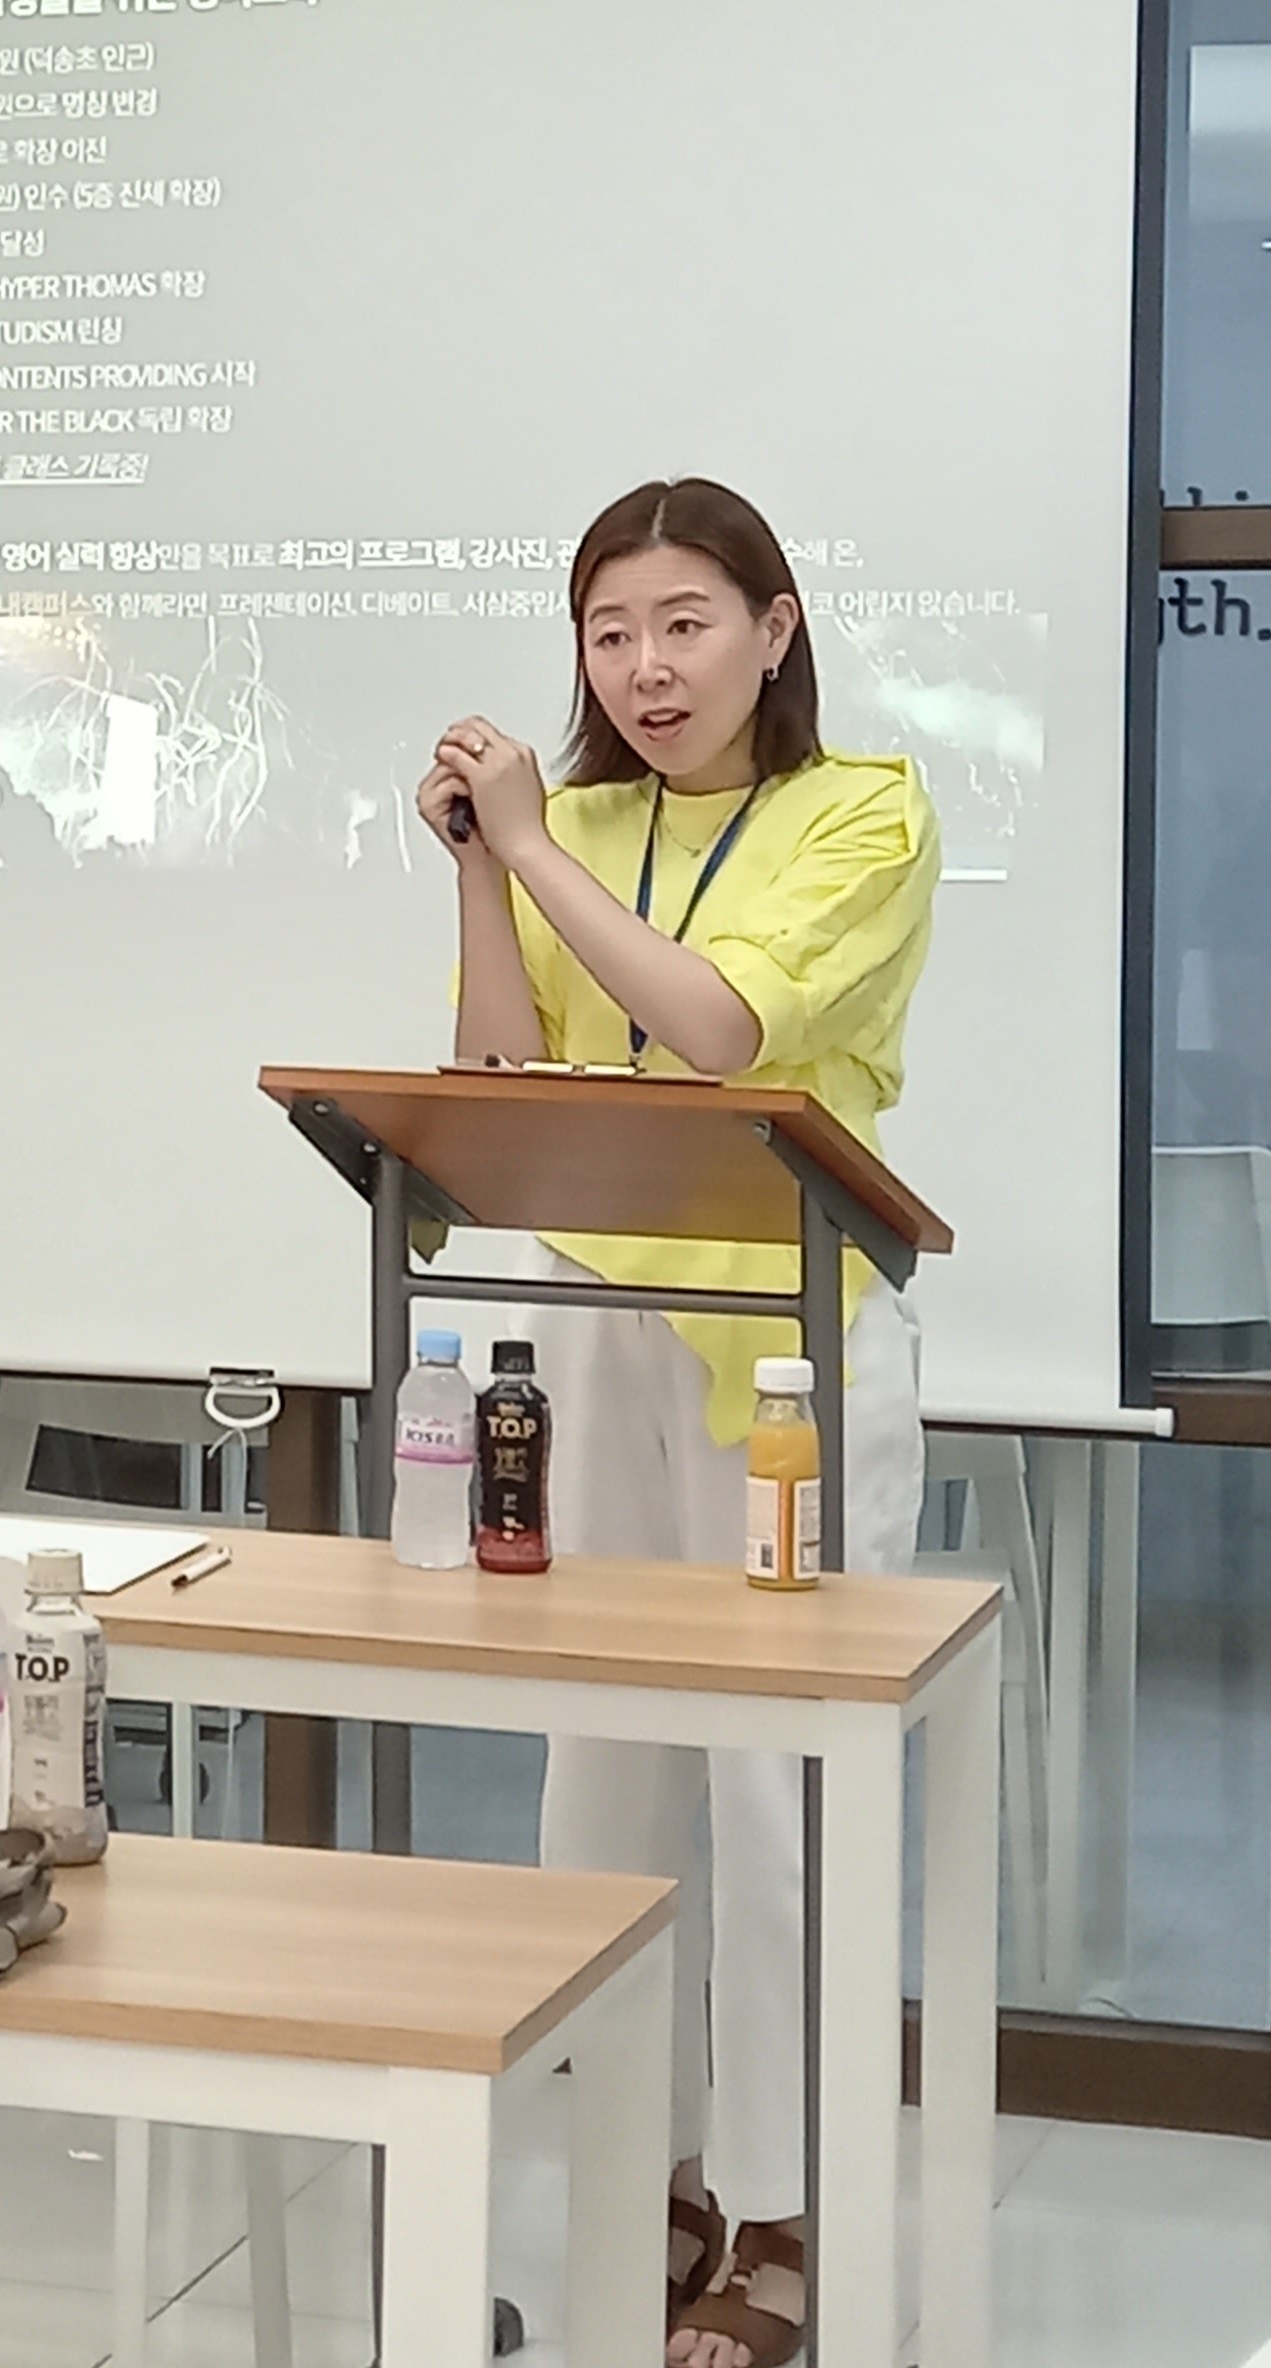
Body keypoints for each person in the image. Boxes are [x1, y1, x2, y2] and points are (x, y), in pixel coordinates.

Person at [418, 479, 937, 2368]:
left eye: (687, 623)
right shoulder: (583, 827)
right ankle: (649, 2169)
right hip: (600, 1340)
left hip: (792, 1354)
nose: (646, 668)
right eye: (611, 632)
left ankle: (785, 2218)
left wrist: (536, 842)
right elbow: (497, 1067)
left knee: (779, 1799)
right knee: (604, 1776)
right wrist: (484, 868)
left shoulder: (862, 809)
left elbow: (719, 1032)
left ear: (776, 631)